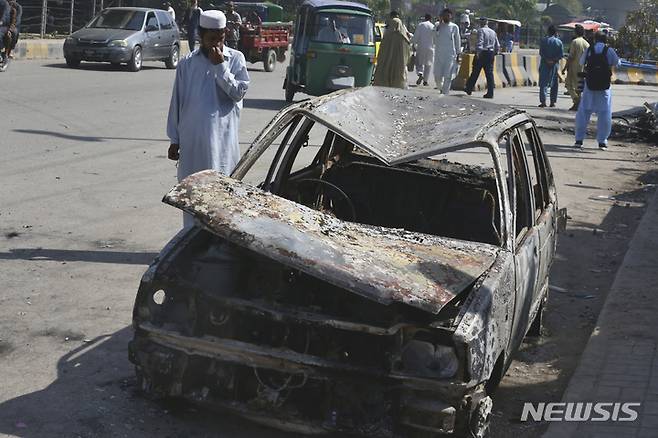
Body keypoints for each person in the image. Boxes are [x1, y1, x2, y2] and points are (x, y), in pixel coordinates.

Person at [167, 10, 250, 228]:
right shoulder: (187, 63)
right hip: (192, 142)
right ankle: (190, 241)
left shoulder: (235, 59)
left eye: (220, 38)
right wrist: (174, 139)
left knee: (220, 195)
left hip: (221, 144)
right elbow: (177, 101)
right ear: (201, 36)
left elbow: (238, 93)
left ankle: (219, 242)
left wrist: (220, 66)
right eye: (211, 39)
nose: (216, 44)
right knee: (192, 194)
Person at [574, 31, 620, 151]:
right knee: (604, 114)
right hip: (604, 88)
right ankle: (602, 142)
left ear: (595, 39)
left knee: (584, 113)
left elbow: (581, 62)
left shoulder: (590, 49)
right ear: (606, 40)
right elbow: (617, 63)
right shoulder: (609, 50)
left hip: (590, 86)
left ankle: (579, 140)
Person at [464, 18, 499, 99]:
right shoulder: (493, 32)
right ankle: (490, 93)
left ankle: (469, 88)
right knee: (489, 74)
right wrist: (495, 53)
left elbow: (480, 41)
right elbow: (497, 45)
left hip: (482, 52)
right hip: (490, 53)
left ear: (481, 23)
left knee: (475, 71)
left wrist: (478, 53)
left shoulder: (481, 30)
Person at [373, 17, 411, 89]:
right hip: (399, 66)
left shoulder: (387, 36)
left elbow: (382, 51)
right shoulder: (404, 39)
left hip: (386, 64)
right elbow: (408, 54)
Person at [433, 8, 461, 95]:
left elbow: (457, 41)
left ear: (451, 16)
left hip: (450, 55)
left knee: (447, 76)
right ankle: (441, 88)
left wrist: (458, 53)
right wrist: (439, 25)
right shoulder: (437, 25)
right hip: (439, 55)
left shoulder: (454, 27)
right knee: (437, 76)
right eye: (444, 15)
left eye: (448, 15)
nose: (446, 17)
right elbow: (433, 36)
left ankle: (445, 93)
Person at [563, 24, 589, 111]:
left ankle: (576, 100)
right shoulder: (587, 43)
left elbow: (571, 57)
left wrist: (565, 68)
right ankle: (577, 103)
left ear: (575, 32)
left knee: (568, 85)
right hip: (582, 68)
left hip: (573, 67)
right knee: (579, 87)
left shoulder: (575, 42)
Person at [538, 25, 564, 108]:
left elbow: (541, 53)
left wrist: (547, 60)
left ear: (548, 31)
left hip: (544, 64)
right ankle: (552, 102)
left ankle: (543, 101)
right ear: (556, 32)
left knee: (543, 83)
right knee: (554, 83)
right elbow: (561, 55)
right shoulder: (559, 42)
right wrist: (553, 60)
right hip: (554, 65)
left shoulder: (544, 41)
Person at [412, 14, 434, 86]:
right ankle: (425, 81)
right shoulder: (433, 26)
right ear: (430, 19)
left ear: (425, 18)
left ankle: (420, 73)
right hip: (430, 48)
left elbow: (416, 36)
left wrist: (413, 43)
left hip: (421, 47)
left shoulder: (421, 25)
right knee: (428, 65)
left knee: (419, 63)